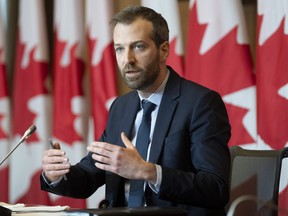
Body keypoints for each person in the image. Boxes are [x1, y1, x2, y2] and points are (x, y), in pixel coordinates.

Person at [41, 5, 231, 216]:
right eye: (119, 49)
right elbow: (89, 176)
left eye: (138, 47)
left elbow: (216, 188)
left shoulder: (201, 103)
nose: (127, 59)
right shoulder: (120, 107)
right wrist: (56, 175)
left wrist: (147, 171)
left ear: (164, 50)